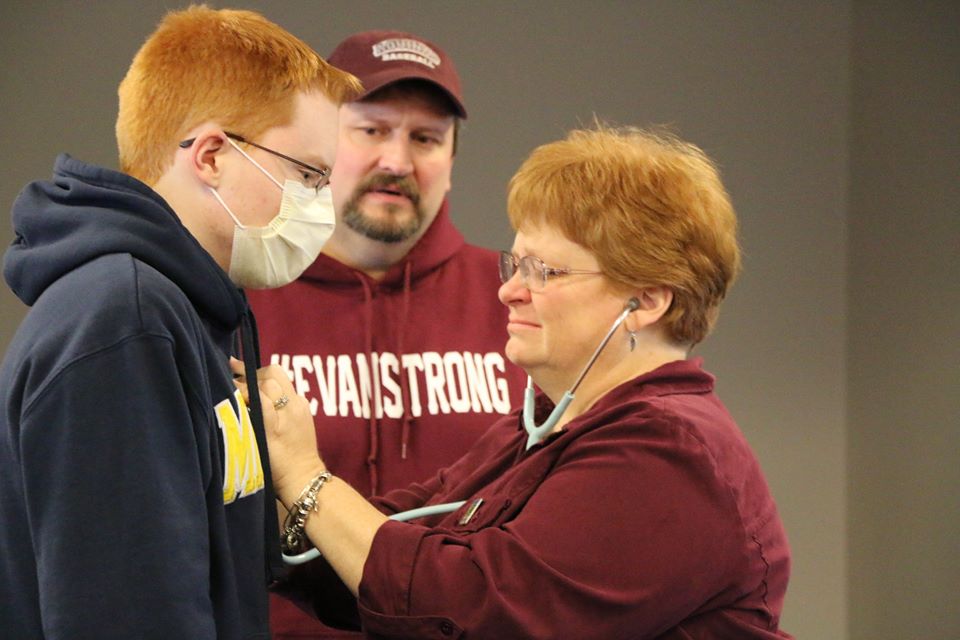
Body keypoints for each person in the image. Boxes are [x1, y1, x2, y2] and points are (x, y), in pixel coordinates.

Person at [246, 124, 794, 639]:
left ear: (646, 301)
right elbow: (396, 540)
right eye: (517, 266)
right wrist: (261, 479)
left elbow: (473, 610)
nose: (509, 291)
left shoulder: (668, 451)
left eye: (546, 272)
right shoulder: (543, 424)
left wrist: (304, 476)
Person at [0, 6, 359, 638]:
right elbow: (127, 616)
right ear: (213, 156)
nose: (320, 203)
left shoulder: (186, 308)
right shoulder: (125, 322)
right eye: (307, 173)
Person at [245, 30, 526, 638]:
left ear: (451, 161)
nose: (397, 161)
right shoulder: (239, 299)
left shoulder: (521, 301)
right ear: (320, 143)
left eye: (426, 139)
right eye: (371, 130)